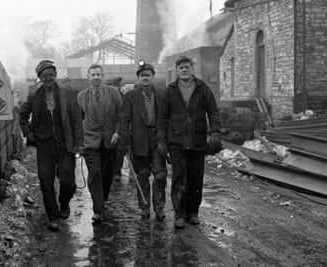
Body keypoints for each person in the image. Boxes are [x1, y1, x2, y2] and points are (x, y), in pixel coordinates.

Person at [157, 56, 221, 229]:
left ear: (192, 69)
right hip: (176, 141)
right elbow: (162, 117)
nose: (184, 70)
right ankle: (179, 213)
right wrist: (161, 139)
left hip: (197, 141)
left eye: (187, 67)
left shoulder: (202, 88)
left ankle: (192, 213)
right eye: (181, 68)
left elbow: (213, 112)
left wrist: (215, 132)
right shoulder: (170, 90)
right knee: (178, 178)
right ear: (177, 71)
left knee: (195, 179)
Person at [19, 60, 83, 231]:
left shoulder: (68, 94)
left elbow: (77, 119)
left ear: (55, 75)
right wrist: (28, 133)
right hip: (45, 145)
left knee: (68, 182)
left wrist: (79, 143)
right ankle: (53, 217)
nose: (48, 78)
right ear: (39, 78)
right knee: (46, 182)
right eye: (44, 75)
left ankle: (64, 204)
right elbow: (22, 116)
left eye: (51, 74)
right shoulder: (35, 95)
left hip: (65, 145)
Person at [119, 62, 167, 221]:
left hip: (157, 140)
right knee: (143, 175)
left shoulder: (162, 94)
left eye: (148, 75)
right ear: (138, 78)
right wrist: (124, 142)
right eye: (142, 75)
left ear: (153, 76)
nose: (145, 78)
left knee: (160, 175)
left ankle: (159, 208)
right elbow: (124, 121)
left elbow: (167, 118)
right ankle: (144, 208)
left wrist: (164, 139)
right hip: (138, 141)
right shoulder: (131, 96)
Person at [77, 64, 122, 223]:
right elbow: (78, 121)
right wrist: (79, 142)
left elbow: (120, 115)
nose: (95, 77)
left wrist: (117, 132)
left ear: (102, 76)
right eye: (93, 74)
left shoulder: (114, 93)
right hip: (91, 141)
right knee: (95, 173)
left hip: (110, 140)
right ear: (88, 77)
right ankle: (98, 209)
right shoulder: (81, 96)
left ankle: (102, 200)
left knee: (107, 174)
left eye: (98, 74)